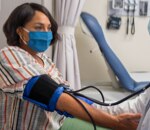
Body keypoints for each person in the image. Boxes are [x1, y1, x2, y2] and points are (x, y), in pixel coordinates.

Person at [0, 2, 141, 130]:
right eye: (38, 27)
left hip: (54, 125)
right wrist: (115, 122)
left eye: (48, 28)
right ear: (20, 31)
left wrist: (111, 110)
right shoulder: (8, 55)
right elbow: (55, 96)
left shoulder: (44, 59)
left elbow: (69, 95)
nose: (46, 33)